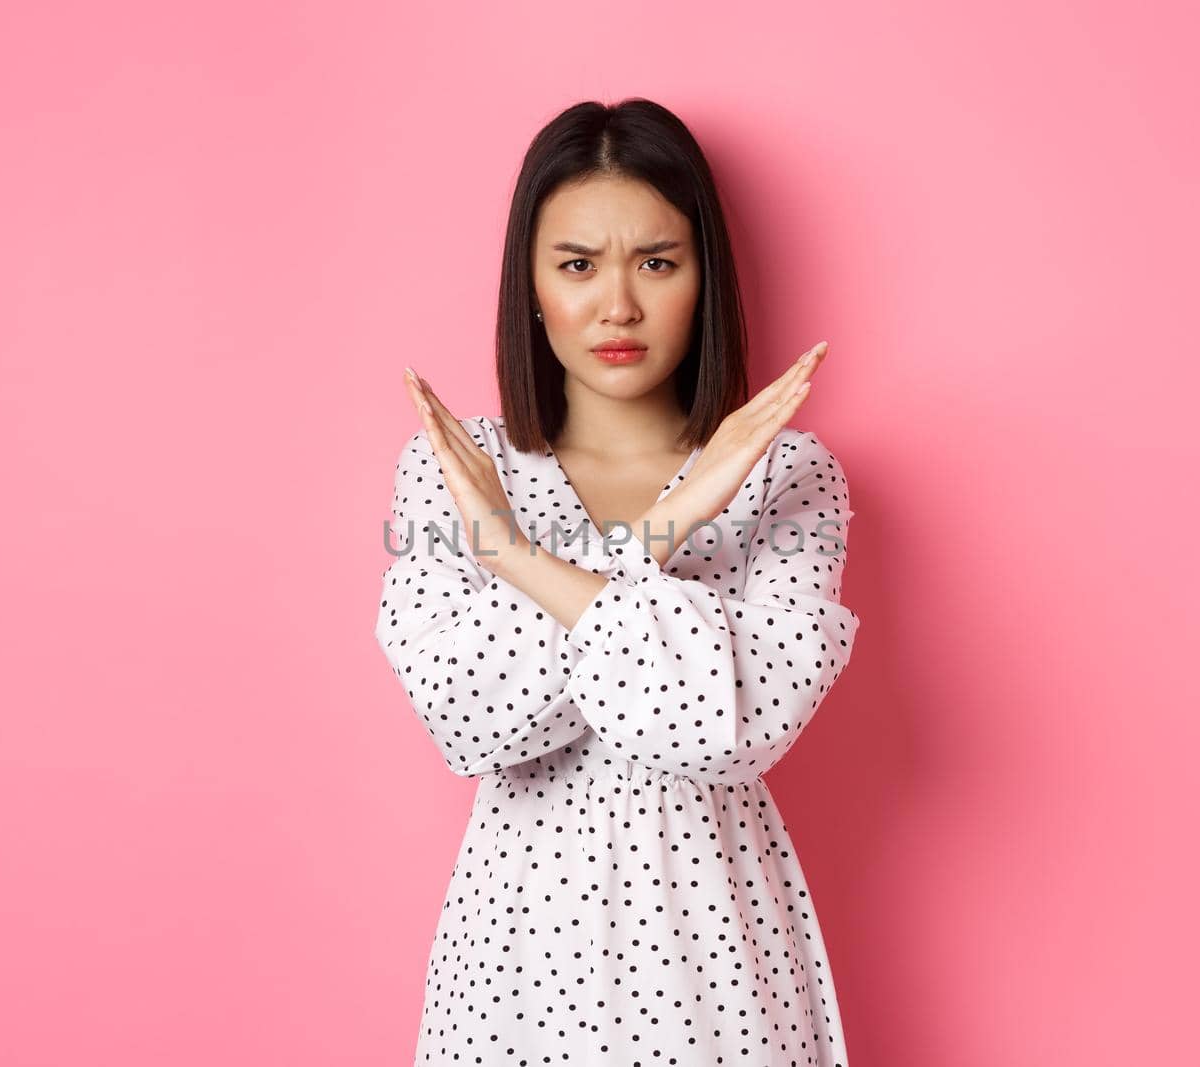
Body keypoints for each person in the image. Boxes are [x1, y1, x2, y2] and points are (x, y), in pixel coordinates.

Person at [374, 97, 861, 1066]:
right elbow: (472, 721)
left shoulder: (787, 476)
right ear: (531, 287)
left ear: (702, 277)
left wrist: (515, 557)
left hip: (716, 950)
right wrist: (668, 534)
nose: (618, 306)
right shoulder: (456, 471)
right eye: (577, 264)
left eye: (656, 261)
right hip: (515, 960)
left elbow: (726, 729)